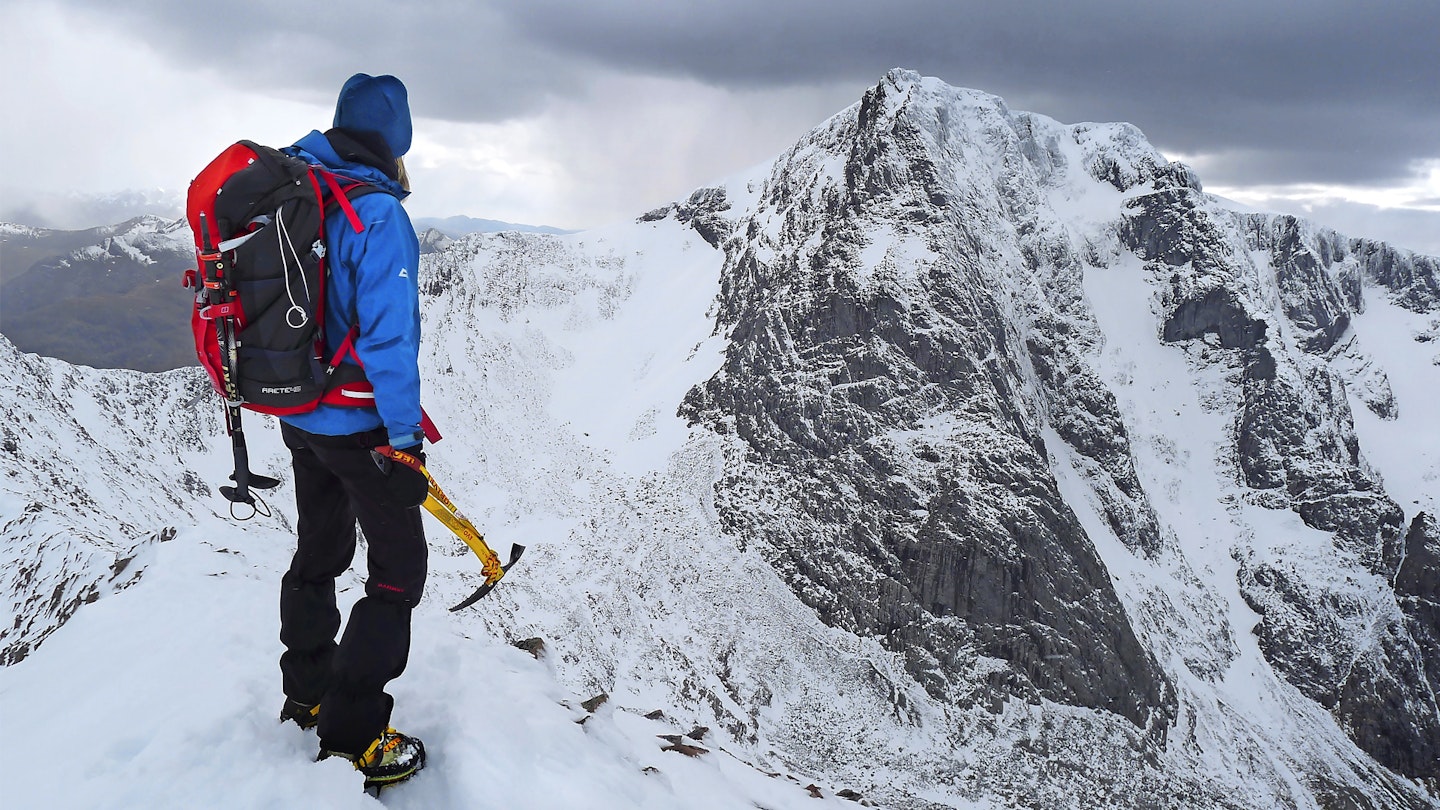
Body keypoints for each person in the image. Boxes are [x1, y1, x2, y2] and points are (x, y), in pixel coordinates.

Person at [273, 72, 429, 788]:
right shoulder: (377, 216)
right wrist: (405, 442)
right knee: (397, 572)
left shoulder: (297, 191)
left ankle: (305, 692)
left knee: (320, 547)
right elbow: (390, 344)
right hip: (360, 426)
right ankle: (353, 730)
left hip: (296, 412)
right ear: (395, 144)